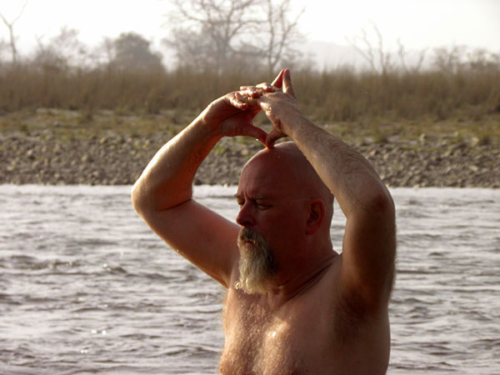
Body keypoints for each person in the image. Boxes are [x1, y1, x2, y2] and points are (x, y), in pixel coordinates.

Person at [131, 69, 396, 374]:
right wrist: (207, 126)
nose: (242, 218)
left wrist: (293, 123)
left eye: (261, 204)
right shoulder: (241, 272)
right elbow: (153, 200)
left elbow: (372, 205)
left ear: (312, 216)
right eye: (241, 201)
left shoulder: (352, 292)